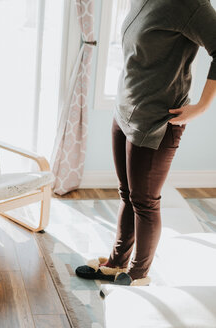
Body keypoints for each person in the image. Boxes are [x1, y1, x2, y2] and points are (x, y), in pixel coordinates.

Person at [76, 0, 216, 286]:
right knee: (127, 194)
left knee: (145, 202)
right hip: (125, 110)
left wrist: (201, 106)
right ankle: (117, 263)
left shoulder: (192, 5)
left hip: (156, 122)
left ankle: (139, 275)